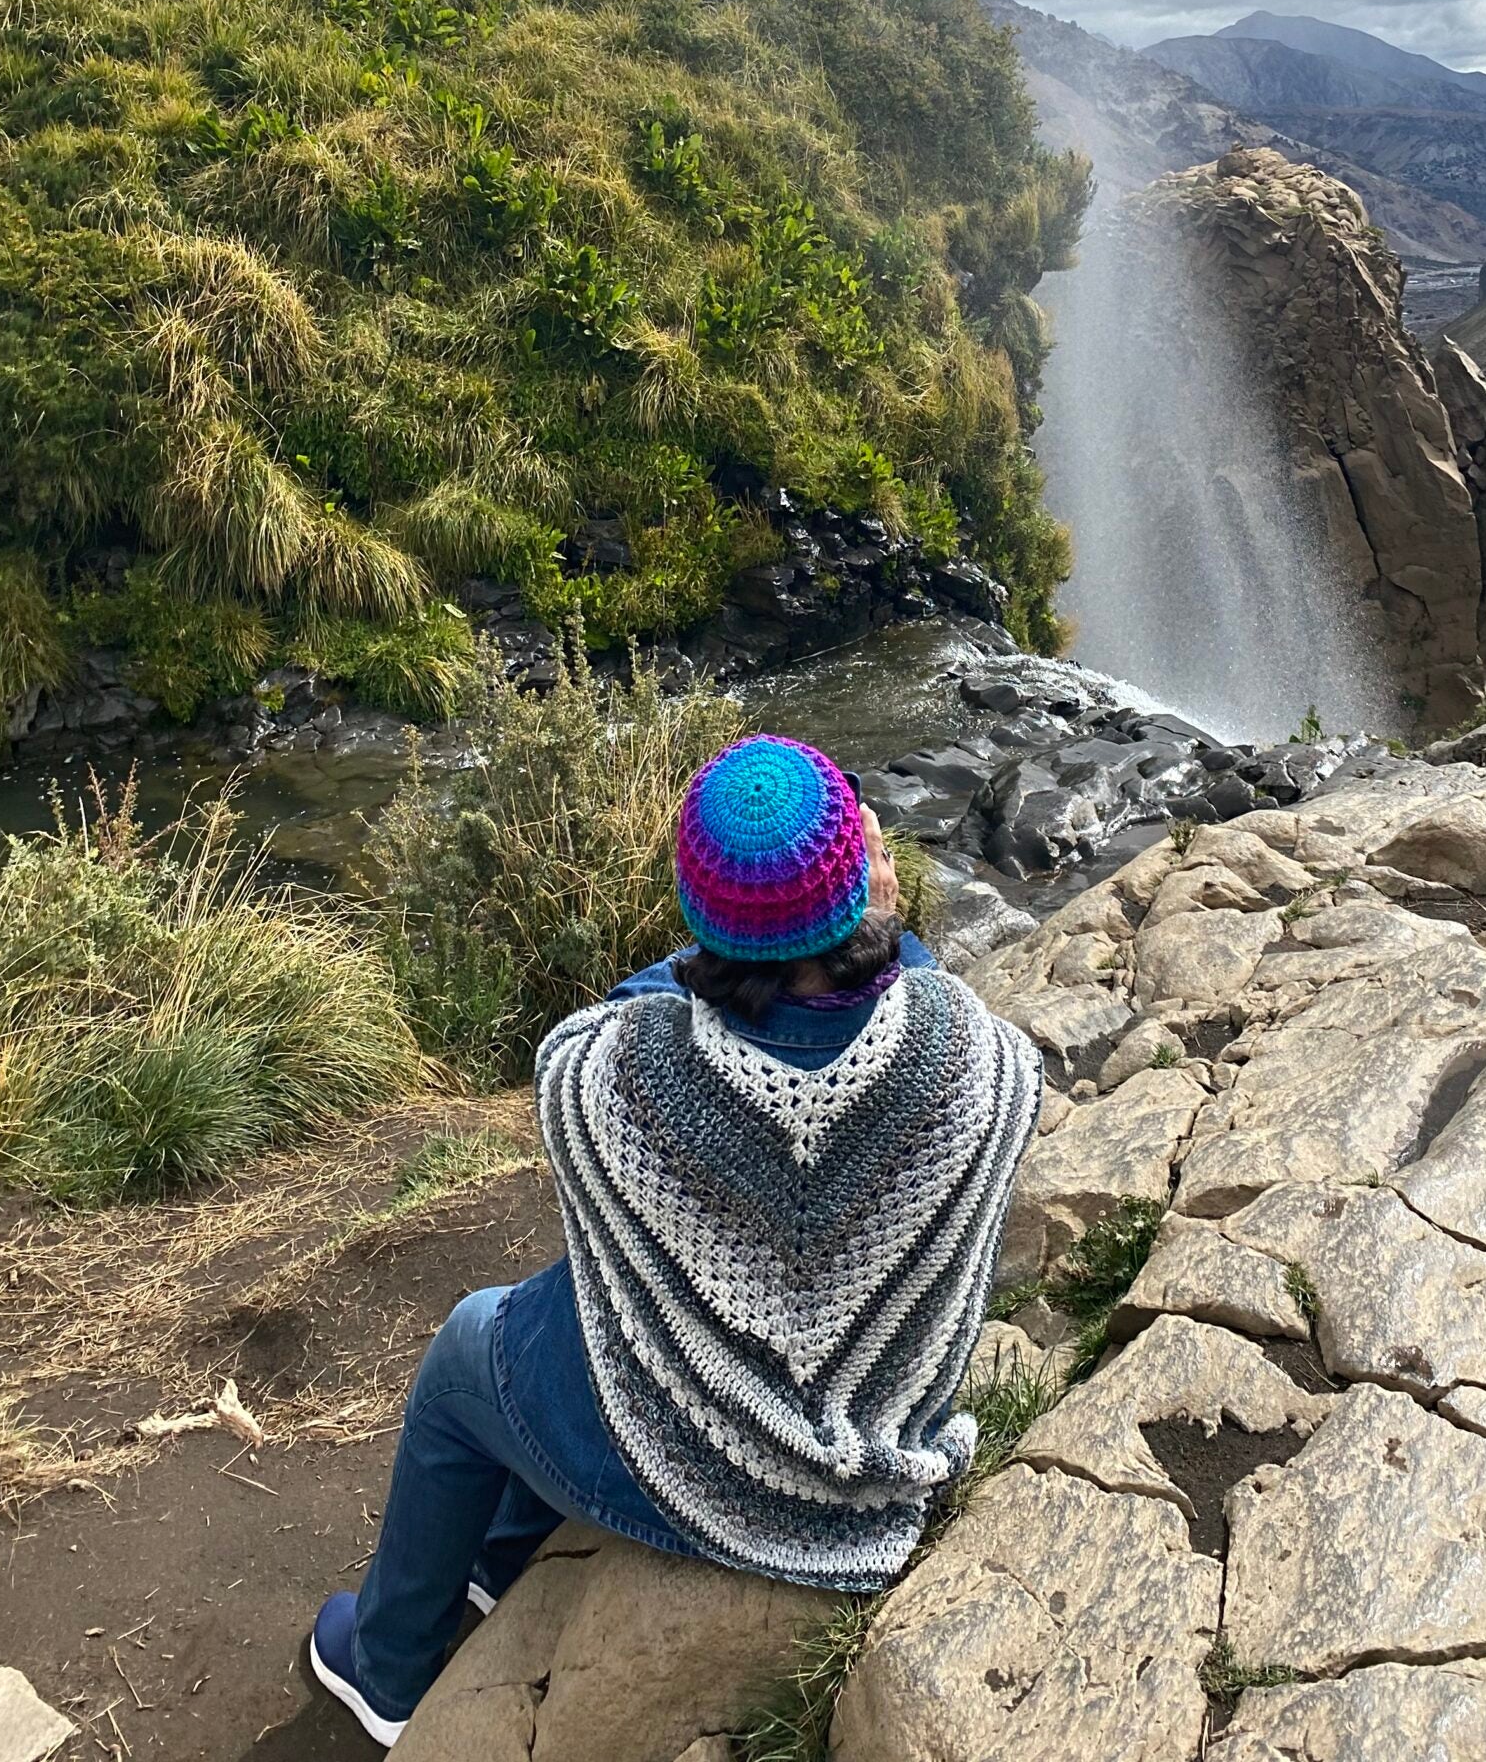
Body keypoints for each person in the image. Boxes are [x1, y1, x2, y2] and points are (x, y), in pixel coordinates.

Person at [308, 733, 1043, 1744]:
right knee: (586, 1286)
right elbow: (893, 999)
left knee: (473, 1342)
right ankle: (490, 1567)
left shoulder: (601, 1077)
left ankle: (387, 1673)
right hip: (876, 1464)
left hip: (689, 1473)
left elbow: (626, 1016)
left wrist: (734, 934)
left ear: (698, 916)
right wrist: (874, 920)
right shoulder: (986, 1061)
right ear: (865, 878)